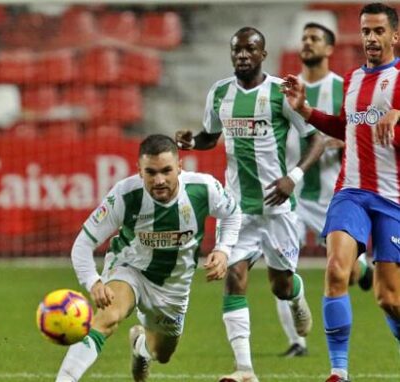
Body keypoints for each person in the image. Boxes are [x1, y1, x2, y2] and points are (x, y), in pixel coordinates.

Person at [175, 27, 323, 382]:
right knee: (234, 278)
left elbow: (316, 139)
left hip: (278, 207)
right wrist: (192, 142)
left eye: (249, 50)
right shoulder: (220, 93)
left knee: (280, 286)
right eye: (237, 50)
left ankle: (297, 296)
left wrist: (293, 178)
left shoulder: (280, 93)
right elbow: (211, 136)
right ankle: (245, 370)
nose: (242, 55)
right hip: (237, 209)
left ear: (263, 54)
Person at [55, 134, 242, 382]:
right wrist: (93, 281)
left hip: (174, 287)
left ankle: (140, 348)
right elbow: (83, 243)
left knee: (161, 353)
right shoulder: (125, 195)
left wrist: (223, 250)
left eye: (166, 171)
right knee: (108, 318)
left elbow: (232, 213)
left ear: (179, 167)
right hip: (130, 269)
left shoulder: (203, 188)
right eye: (151, 172)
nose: (160, 180)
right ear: (139, 171)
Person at [282, 3, 400, 381]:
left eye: (379, 31)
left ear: (395, 36)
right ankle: (338, 371)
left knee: (389, 298)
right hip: (350, 192)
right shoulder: (352, 80)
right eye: (366, 31)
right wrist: (306, 110)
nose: (371, 38)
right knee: (336, 271)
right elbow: (343, 127)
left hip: (392, 198)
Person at [277, 22, 375, 359]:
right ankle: (297, 341)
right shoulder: (286, 88)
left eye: (315, 38)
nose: (307, 42)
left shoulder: (342, 88)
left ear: (330, 48)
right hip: (293, 193)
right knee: (281, 264)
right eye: (303, 37)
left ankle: (364, 270)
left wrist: (334, 139)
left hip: (332, 193)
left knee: (341, 269)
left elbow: (357, 131)